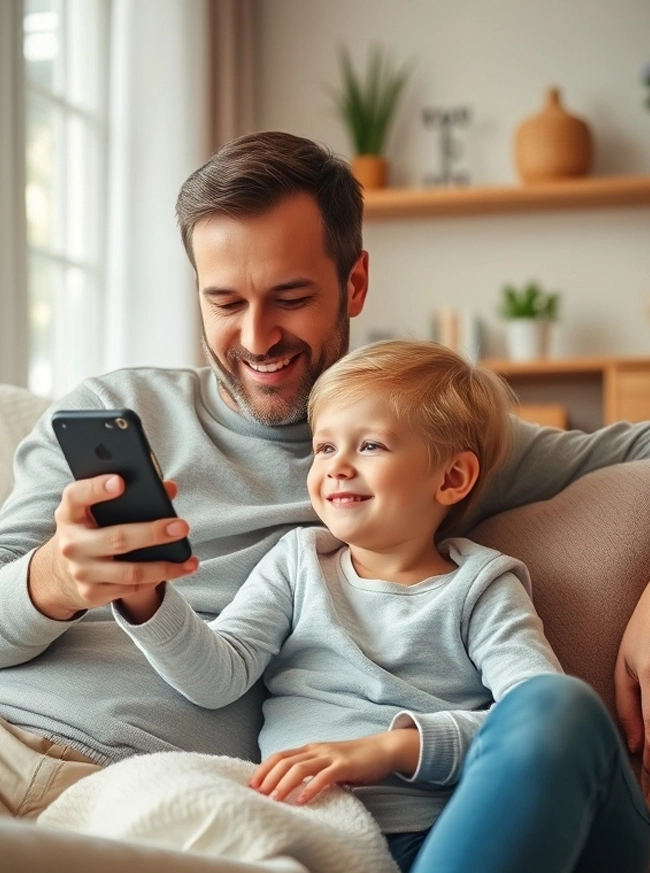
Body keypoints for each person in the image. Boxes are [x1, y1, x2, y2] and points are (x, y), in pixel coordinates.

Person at [1, 131, 650, 818]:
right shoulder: (112, 410)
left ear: (355, 282)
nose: (256, 337)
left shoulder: (426, 439)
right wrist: (55, 579)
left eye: (289, 297)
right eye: (225, 302)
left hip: (139, 791)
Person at [111, 339, 650, 873]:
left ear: (452, 478)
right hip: (313, 830)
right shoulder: (298, 562)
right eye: (324, 447)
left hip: (445, 837)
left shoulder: (480, 586)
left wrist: (391, 750)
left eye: (369, 446)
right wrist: (144, 592)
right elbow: (217, 676)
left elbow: (525, 724)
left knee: (560, 703)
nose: (338, 466)